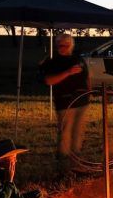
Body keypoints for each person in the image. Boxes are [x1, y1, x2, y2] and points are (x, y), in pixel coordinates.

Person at [39, 34, 91, 174]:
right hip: (65, 103)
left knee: (78, 135)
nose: (62, 48)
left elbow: (87, 78)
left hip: (81, 102)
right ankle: (63, 168)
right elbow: (49, 80)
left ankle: (76, 165)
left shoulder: (78, 60)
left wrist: (88, 93)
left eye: (65, 45)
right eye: (59, 45)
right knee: (65, 135)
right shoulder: (53, 61)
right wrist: (67, 72)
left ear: (71, 46)